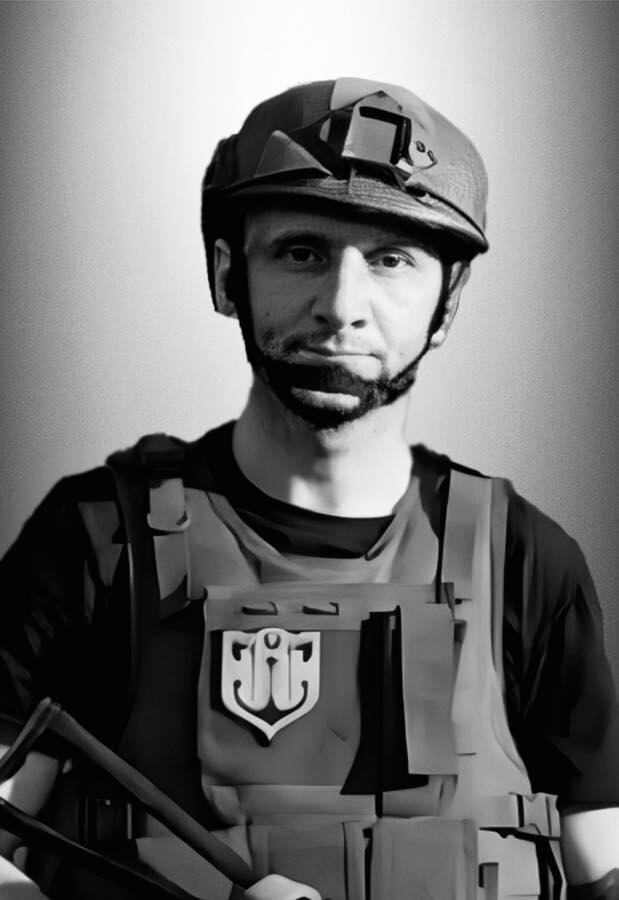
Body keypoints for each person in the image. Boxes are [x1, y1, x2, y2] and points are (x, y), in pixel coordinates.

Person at [0, 77, 618, 900]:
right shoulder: (96, 538)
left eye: (391, 260)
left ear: (447, 303)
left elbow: (601, 859)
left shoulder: (525, 559)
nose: (341, 306)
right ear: (228, 275)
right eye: (301, 252)